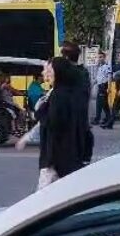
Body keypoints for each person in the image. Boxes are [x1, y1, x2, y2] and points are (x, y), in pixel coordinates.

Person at [35, 57, 84, 190]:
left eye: (49, 69)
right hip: (64, 157)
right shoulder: (68, 92)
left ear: (58, 72)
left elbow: (54, 124)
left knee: (42, 203)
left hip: (54, 159)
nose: (45, 73)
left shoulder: (58, 95)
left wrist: (40, 111)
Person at [61, 41, 94, 166]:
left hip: (68, 128)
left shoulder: (65, 74)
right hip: (82, 124)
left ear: (66, 57)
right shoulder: (84, 73)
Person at [92, 50, 112, 125]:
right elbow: (98, 78)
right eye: (99, 57)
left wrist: (109, 87)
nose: (99, 59)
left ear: (104, 57)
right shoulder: (100, 67)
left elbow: (109, 77)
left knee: (100, 103)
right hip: (100, 86)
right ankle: (108, 118)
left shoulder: (107, 66)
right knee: (103, 104)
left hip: (104, 86)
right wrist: (92, 84)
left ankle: (97, 119)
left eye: (101, 57)